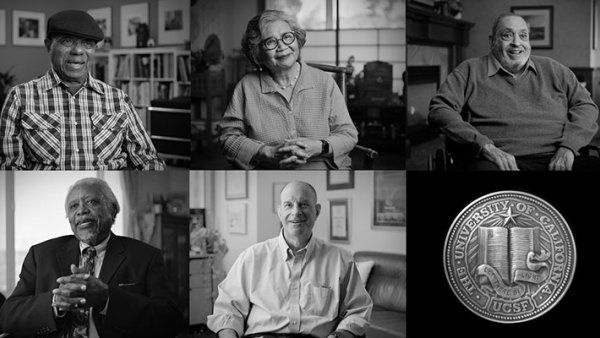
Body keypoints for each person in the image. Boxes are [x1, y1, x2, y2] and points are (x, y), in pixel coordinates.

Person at [0, 178, 180, 337]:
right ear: (69, 218)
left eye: (92, 202)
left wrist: (107, 299)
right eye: (73, 206)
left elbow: (169, 320)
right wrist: (56, 302)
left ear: (112, 210)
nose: (81, 211)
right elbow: (8, 315)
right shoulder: (40, 255)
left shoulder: (146, 256)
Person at [428, 13, 600, 171]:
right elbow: (440, 109)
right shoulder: (469, 70)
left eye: (523, 35)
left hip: (558, 158)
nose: (517, 43)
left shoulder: (554, 69)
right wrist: (483, 145)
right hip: (496, 161)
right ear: (492, 41)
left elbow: (586, 106)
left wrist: (568, 147)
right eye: (507, 35)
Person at [0, 10, 164, 170]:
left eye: (87, 43)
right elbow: (9, 167)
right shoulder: (20, 97)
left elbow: (147, 160)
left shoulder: (119, 99)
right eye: (67, 41)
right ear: (49, 46)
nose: (78, 51)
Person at [208, 181, 372, 338]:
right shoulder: (252, 257)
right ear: (280, 212)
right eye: (289, 205)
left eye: (304, 204)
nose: (296, 212)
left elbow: (358, 310)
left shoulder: (340, 260)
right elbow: (227, 309)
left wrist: (340, 335)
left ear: (317, 211)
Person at [218, 10, 358, 169]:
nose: (282, 46)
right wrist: (265, 152)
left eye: (287, 36)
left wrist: (319, 147)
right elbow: (228, 138)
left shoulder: (324, 82)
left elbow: (348, 135)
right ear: (258, 52)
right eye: (270, 41)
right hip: (268, 173)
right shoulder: (246, 87)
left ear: (297, 40)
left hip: (322, 172)